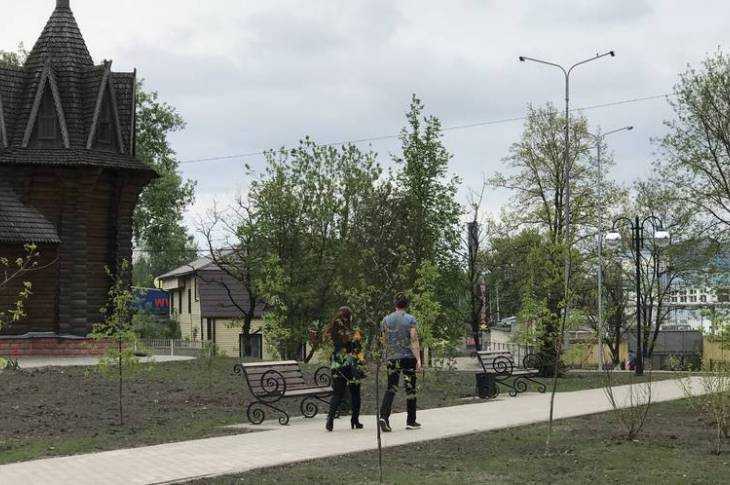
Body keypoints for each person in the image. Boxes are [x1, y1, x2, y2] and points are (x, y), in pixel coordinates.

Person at [379, 295, 422, 432]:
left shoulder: (386, 320)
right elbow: (414, 340)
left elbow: (384, 340)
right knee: (410, 387)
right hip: (408, 358)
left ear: (395, 305)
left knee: (391, 387)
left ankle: (384, 417)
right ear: (406, 305)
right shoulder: (410, 319)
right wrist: (418, 359)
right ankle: (411, 421)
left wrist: (385, 357)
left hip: (392, 358)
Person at [324, 306, 365, 432]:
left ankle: (330, 419)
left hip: (337, 362)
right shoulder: (354, 331)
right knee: (355, 392)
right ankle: (355, 420)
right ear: (350, 317)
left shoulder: (332, 330)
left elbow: (329, 343)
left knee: (337, 393)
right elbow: (358, 348)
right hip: (352, 363)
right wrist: (361, 361)